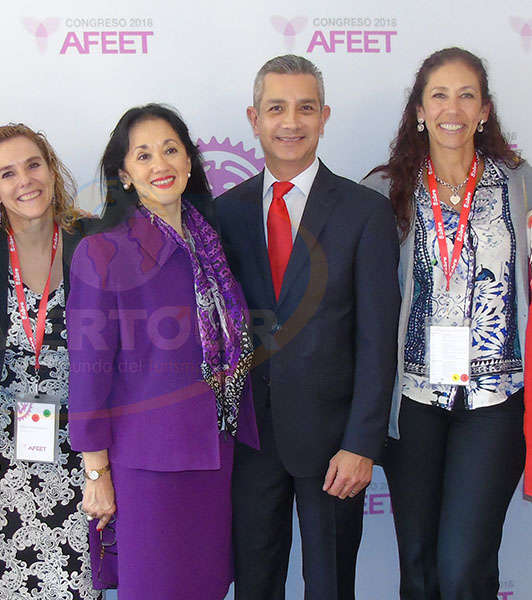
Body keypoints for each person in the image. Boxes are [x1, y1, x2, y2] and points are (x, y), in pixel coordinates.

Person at [215, 55, 400, 600]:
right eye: (276, 108)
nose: (290, 122)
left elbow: (377, 339)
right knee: (255, 586)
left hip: (334, 450)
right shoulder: (222, 214)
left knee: (330, 587)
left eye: (305, 108)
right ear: (254, 118)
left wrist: (362, 443)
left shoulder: (365, 212)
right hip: (248, 444)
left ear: (324, 117)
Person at [67, 103, 259, 599]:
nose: (161, 164)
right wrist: (96, 474)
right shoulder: (103, 252)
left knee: (207, 587)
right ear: (125, 175)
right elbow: (88, 375)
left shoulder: (211, 242)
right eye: (144, 155)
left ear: (191, 161)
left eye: (170, 149)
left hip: (216, 452)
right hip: (147, 465)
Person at [363, 47, 530, 599]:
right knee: (419, 566)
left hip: (493, 402)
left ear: (484, 109)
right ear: (419, 109)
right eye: (439, 94)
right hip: (412, 404)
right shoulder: (384, 191)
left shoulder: (519, 183)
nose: (452, 107)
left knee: (463, 567)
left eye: (466, 95)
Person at [0, 123, 99, 599]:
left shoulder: (93, 241)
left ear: (52, 170)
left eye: (33, 165)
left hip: (81, 448)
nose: (25, 181)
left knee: (77, 583)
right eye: (8, 173)